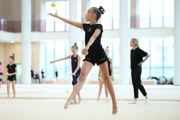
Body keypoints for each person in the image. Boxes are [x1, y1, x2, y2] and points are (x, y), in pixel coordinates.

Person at [48, 6, 118, 115]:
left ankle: (114, 102)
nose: (85, 15)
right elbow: (72, 23)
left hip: (99, 53)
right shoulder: (85, 26)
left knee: (106, 78)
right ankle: (71, 98)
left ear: (93, 15)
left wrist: (87, 47)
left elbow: (94, 37)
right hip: (90, 55)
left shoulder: (99, 26)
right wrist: (58, 17)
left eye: (88, 13)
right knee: (82, 76)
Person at [130, 38, 150, 104]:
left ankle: (146, 97)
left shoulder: (139, 50)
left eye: (131, 42)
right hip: (132, 68)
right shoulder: (131, 51)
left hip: (137, 68)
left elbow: (147, 55)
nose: (130, 43)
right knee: (134, 84)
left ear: (134, 43)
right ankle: (135, 99)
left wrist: (142, 62)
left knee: (138, 83)